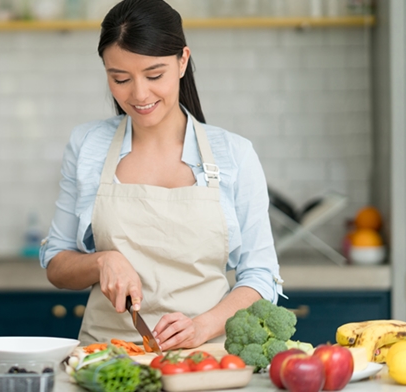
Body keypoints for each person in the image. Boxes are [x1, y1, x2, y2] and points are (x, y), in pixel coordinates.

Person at [40, 0, 283, 351]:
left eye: (155, 75)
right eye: (120, 78)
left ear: (183, 61)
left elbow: (261, 276)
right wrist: (101, 261)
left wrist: (203, 326)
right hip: (108, 361)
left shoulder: (234, 154)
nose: (139, 94)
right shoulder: (87, 145)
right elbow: (57, 264)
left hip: (205, 359)